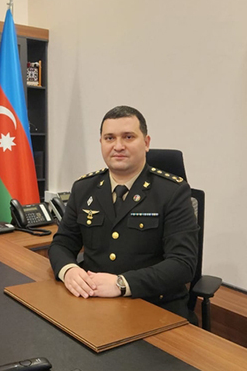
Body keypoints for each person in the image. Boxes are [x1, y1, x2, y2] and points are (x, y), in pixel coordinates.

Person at [48, 106, 199, 319]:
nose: (118, 146)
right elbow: (62, 243)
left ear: (146, 143)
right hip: (93, 304)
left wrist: (122, 284)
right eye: (109, 138)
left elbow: (183, 264)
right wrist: (68, 270)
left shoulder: (172, 191)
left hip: (152, 306)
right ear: (101, 142)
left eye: (128, 137)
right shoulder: (84, 188)